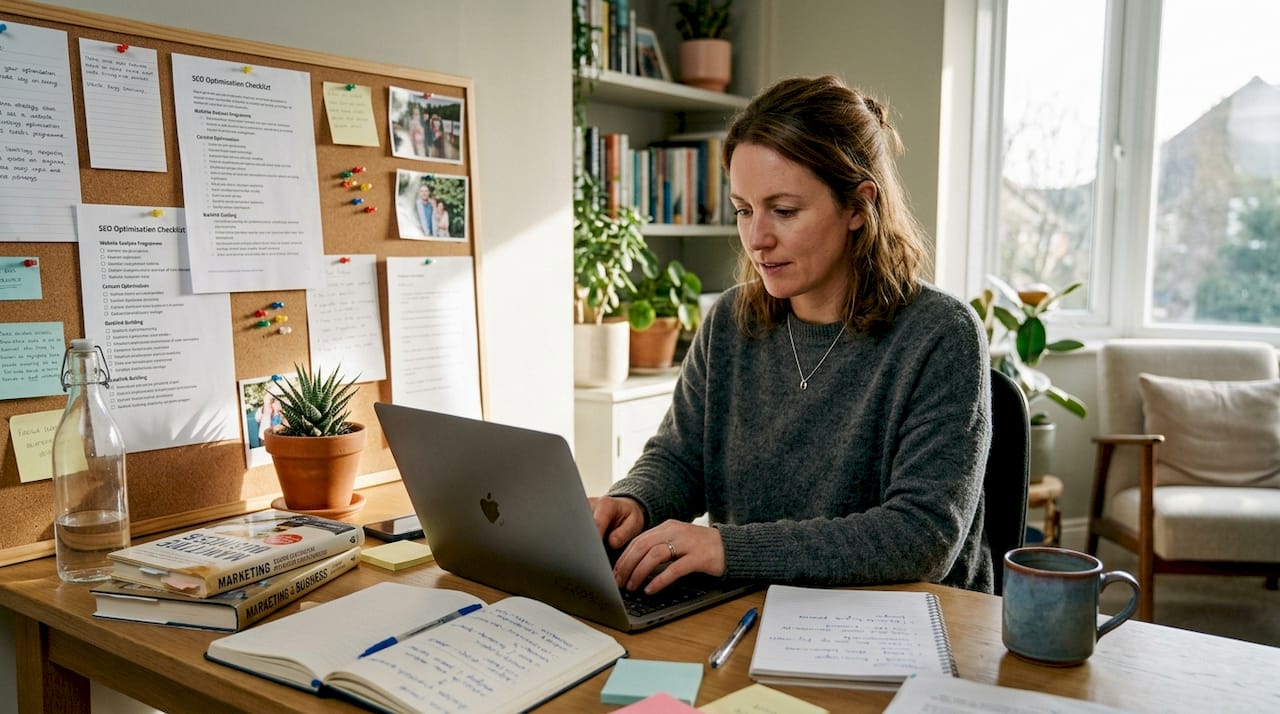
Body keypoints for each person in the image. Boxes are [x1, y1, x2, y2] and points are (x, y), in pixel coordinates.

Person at [591, 75, 993, 597]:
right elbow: (681, 459)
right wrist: (635, 502)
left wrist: (727, 549)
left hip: (909, 627)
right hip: (753, 609)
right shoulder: (729, 322)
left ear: (858, 206)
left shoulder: (941, 335)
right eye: (743, 210)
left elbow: (923, 535)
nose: (757, 239)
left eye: (783, 211)